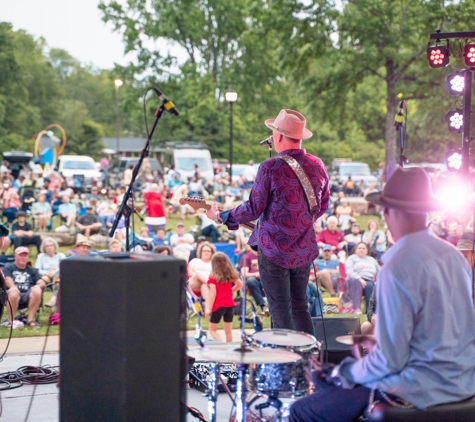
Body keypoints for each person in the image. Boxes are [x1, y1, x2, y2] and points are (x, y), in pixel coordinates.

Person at [290, 166, 475, 421]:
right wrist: (374, 347)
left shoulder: (399, 265)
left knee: (301, 411)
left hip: (420, 391)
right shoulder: (453, 256)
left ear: (389, 211)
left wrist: (342, 372)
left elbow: (390, 362)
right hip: (463, 385)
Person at [207, 109, 329, 336]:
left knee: (280, 309)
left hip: (274, 251)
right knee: (300, 306)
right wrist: (297, 224)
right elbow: (322, 206)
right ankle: (308, 361)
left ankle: (285, 367)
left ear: (278, 137)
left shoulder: (270, 167)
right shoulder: (317, 164)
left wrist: (221, 216)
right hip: (303, 249)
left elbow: (253, 208)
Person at [3, 247, 46, 328]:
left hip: (27, 295)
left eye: (25, 256)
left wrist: (37, 286)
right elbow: (7, 279)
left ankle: (30, 320)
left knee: (37, 291)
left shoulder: (32, 270)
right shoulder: (9, 267)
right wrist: (12, 286)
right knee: (13, 293)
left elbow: (42, 282)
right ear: (15, 256)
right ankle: (11, 322)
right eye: (20, 255)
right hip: (12, 295)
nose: (23, 258)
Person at [205, 252, 243, 342]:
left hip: (218, 305)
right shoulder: (231, 274)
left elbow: (213, 293)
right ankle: (229, 348)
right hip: (230, 305)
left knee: (212, 330)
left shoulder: (213, 276)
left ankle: (221, 345)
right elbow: (240, 285)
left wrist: (209, 308)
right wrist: (230, 291)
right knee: (228, 331)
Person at [344, 242, 380, 314]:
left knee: (370, 285)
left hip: (369, 280)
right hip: (353, 280)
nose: (361, 250)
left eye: (363, 248)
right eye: (359, 248)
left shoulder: (372, 259)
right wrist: (359, 278)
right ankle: (357, 308)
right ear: (356, 250)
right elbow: (349, 270)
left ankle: (370, 310)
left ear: (367, 250)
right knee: (356, 282)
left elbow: (380, 270)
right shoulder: (352, 258)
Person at [35, 237, 66, 308]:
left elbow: (65, 269)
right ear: (44, 248)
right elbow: (37, 269)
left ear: (55, 246)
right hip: (45, 279)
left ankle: (54, 298)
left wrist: (56, 271)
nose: (49, 248)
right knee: (57, 274)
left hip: (59, 280)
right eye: (47, 246)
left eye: (51, 245)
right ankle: (54, 302)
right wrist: (47, 273)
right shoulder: (41, 256)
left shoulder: (61, 256)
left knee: (58, 274)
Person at [240, 240, 269, 315]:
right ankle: (263, 306)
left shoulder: (266, 255)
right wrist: (256, 274)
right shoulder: (246, 257)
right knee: (250, 281)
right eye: (244, 245)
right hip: (255, 281)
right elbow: (244, 274)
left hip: (267, 279)